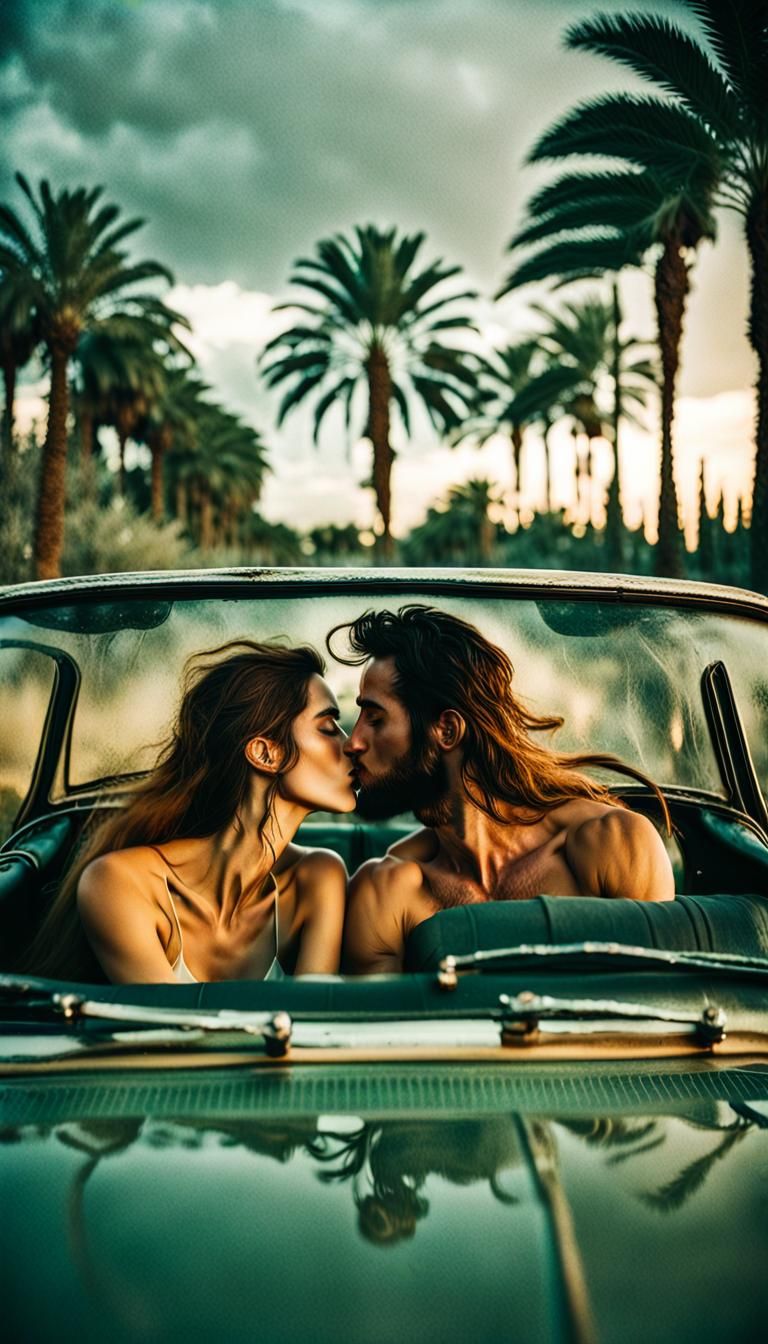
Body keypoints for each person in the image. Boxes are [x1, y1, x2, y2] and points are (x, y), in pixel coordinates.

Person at [328, 605, 674, 974]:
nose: (354, 742)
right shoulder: (386, 890)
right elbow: (385, 1029)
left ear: (446, 730)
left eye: (376, 719)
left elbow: (667, 1008)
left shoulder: (612, 843)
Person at [30, 639, 356, 983]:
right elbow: (171, 1035)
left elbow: (313, 1025)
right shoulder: (121, 884)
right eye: (327, 728)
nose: (351, 745)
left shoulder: (319, 878)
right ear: (264, 753)